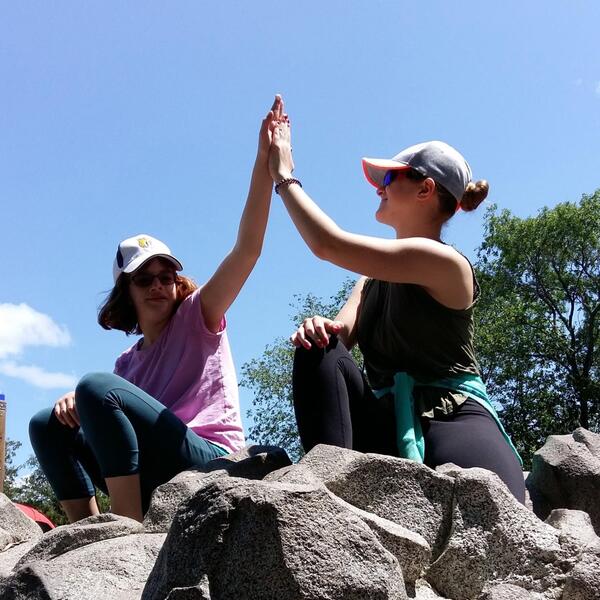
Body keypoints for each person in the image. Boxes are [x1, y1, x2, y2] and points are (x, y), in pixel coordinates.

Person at [29, 96, 285, 523]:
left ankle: (126, 536)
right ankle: (87, 530)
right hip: (155, 473)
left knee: (95, 387)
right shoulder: (126, 365)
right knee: (46, 423)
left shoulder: (197, 317)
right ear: (124, 292)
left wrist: (264, 163)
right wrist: (79, 404)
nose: (159, 285)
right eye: (144, 279)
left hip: (211, 460)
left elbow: (247, 250)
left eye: (166, 275)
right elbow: (110, 410)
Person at [267, 112, 525, 503]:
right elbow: (338, 339)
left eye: (388, 179)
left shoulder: (447, 263)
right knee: (316, 349)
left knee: (496, 521)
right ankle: (327, 499)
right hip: (384, 421)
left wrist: (283, 174)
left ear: (425, 189)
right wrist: (318, 328)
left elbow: (327, 244)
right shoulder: (369, 281)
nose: (378, 189)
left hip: (452, 417)